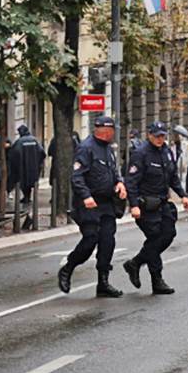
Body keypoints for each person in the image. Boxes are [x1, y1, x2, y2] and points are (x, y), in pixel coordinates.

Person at [58, 116, 126, 298]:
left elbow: (114, 171)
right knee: (90, 240)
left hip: (106, 204)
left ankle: (103, 282)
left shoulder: (109, 149)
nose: (114, 133)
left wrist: (119, 183)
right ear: (104, 130)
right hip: (88, 204)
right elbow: (77, 176)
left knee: (107, 242)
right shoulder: (86, 148)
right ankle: (68, 268)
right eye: (112, 130)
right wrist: (86, 196)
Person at [122, 121, 188, 295]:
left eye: (163, 136)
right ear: (149, 135)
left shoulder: (166, 152)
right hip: (146, 205)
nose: (160, 139)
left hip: (162, 203)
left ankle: (135, 263)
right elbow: (131, 182)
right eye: (157, 136)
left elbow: (173, 176)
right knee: (154, 238)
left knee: (168, 235)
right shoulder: (140, 154)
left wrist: (183, 195)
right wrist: (134, 205)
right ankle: (157, 280)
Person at [8, 124, 46, 228]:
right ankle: (28, 197)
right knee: (31, 183)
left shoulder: (19, 142)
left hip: (23, 168)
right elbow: (42, 153)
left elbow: (13, 154)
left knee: (24, 183)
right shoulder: (35, 140)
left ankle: (26, 197)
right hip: (33, 168)